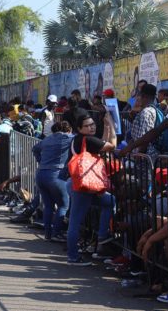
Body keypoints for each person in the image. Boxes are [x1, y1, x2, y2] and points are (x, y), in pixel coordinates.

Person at [66, 113, 117, 266]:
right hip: (83, 187)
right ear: (79, 128)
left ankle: (102, 237)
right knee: (75, 222)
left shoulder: (79, 139)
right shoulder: (86, 139)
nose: (91, 127)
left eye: (92, 124)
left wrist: (107, 125)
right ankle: (73, 257)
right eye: (87, 126)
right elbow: (111, 145)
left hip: (79, 184)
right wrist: (113, 126)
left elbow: (101, 142)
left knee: (109, 202)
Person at [32, 121, 73, 242]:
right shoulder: (69, 138)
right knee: (63, 205)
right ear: (68, 129)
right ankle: (57, 233)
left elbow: (35, 149)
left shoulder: (47, 139)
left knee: (48, 205)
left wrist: (41, 161)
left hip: (41, 174)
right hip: (57, 174)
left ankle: (48, 234)